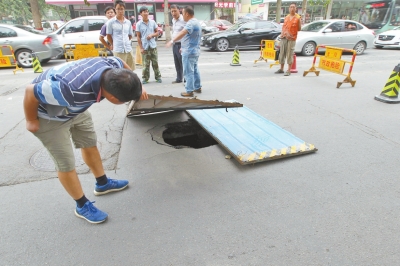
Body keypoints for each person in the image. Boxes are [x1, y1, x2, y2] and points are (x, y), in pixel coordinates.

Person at [23, 57, 148, 224]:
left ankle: (102, 183)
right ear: (112, 98)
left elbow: (120, 61)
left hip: (76, 109)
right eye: (124, 101)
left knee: (89, 144)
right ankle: (81, 205)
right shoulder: (67, 89)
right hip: (49, 116)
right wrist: (31, 120)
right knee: (66, 163)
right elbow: (30, 92)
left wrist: (139, 86)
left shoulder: (112, 68)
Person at [166, 6, 202, 97]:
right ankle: (197, 87)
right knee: (195, 70)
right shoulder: (196, 22)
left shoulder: (190, 23)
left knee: (188, 72)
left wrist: (172, 41)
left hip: (189, 52)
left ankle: (189, 90)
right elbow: (191, 37)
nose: (182, 15)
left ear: (187, 14)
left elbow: (183, 33)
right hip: (195, 50)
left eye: (183, 13)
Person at [136, 6, 162, 84]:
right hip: (145, 47)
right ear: (141, 13)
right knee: (145, 64)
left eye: (147, 11)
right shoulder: (139, 24)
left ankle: (158, 77)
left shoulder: (153, 22)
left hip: (153, 46)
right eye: (144, 12)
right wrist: (141, 48)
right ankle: (145, 78)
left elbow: (157, 33)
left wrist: (152, 35)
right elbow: (138, 37)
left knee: (155, 63)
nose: (146, 13)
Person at [106, 0, 135, 70]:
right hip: (118, 50)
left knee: (130, 70)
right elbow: (108, 35)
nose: (120, 11)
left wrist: (126, 41)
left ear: (124, 9)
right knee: (120, 70)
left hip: (128, 49)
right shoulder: (111, 22)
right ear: (115, 9)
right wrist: (113, 43)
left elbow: (130, 35)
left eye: (122, 9)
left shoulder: (128, 22)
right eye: (118, 9)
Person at [275, 2, 301, 76]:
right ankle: (281, 68)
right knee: (282, 53)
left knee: (290, 54)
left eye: (293, 7)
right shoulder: (286, 17)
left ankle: (289, 70)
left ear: (296, 9)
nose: (292, 8)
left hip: (292, 38)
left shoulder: (298, 18)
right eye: (291, 7)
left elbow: (299, 29)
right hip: (284, 37)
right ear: (289, 8)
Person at [170, 4, 186, 84]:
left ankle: (186, 79)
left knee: (183, 62)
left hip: (181, 45)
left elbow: (186, 33)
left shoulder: (183, 19)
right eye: (172, 11)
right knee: (177, 62)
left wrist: (183, 45)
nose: (173, 13)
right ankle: (179, 78)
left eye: (175, 11)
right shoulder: (173, 20)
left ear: (179, 10)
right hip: (175, 44)